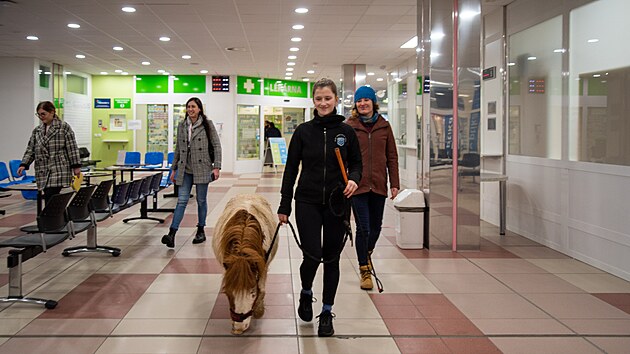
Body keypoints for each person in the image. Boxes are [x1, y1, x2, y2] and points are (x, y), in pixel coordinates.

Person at [277, 78, 362, 337]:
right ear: (313, 101)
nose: (323, 103)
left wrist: (354, 180)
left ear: (336, 100)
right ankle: (306, 292)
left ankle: (326, 312)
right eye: (318, 98)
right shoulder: (303, 131)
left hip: (337, 203)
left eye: (328, 98)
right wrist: (284, 204)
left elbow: (357, 164)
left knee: (332, 258)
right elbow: (291, 170)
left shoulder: (346, 132)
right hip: (307, 201)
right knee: (312, 255)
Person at [346, 86, 400, 290]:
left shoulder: (384, 126)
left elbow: (392, 156)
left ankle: (366, 253)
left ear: (373, 103)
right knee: (364, 227)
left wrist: (394, 183)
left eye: (366, 100)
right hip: (357, 186)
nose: (362, 104)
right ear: (355, 104)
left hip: (378, 184)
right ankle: (364, 270)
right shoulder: (349, 126)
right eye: (359, 101)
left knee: (376, 228)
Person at [162, 97, 222, 248]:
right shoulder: (182, 125)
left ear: (199, 109)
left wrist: (217, 167)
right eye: (188, 107)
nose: (190, 109)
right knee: (182, 201)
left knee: (201, 200)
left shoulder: (207, 125)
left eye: (193, 107)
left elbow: (216, 146)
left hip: (202, 167)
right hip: (185, 168)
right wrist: (173, 168)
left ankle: (200, 230)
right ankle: (172, 233)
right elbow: (178, 149)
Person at [17, 101, 82, 205]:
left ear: (52, 112)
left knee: (51, 196)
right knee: (51, 198)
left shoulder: (63, 127)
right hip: (42, 170)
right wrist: (24, 164)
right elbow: (31, 149)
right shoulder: (37, 131)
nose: (41, 117)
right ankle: (59, 219)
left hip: (59, 168)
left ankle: (51, 219)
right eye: (38, 114)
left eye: (43, 114)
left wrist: (76, 166)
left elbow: (72, 148)